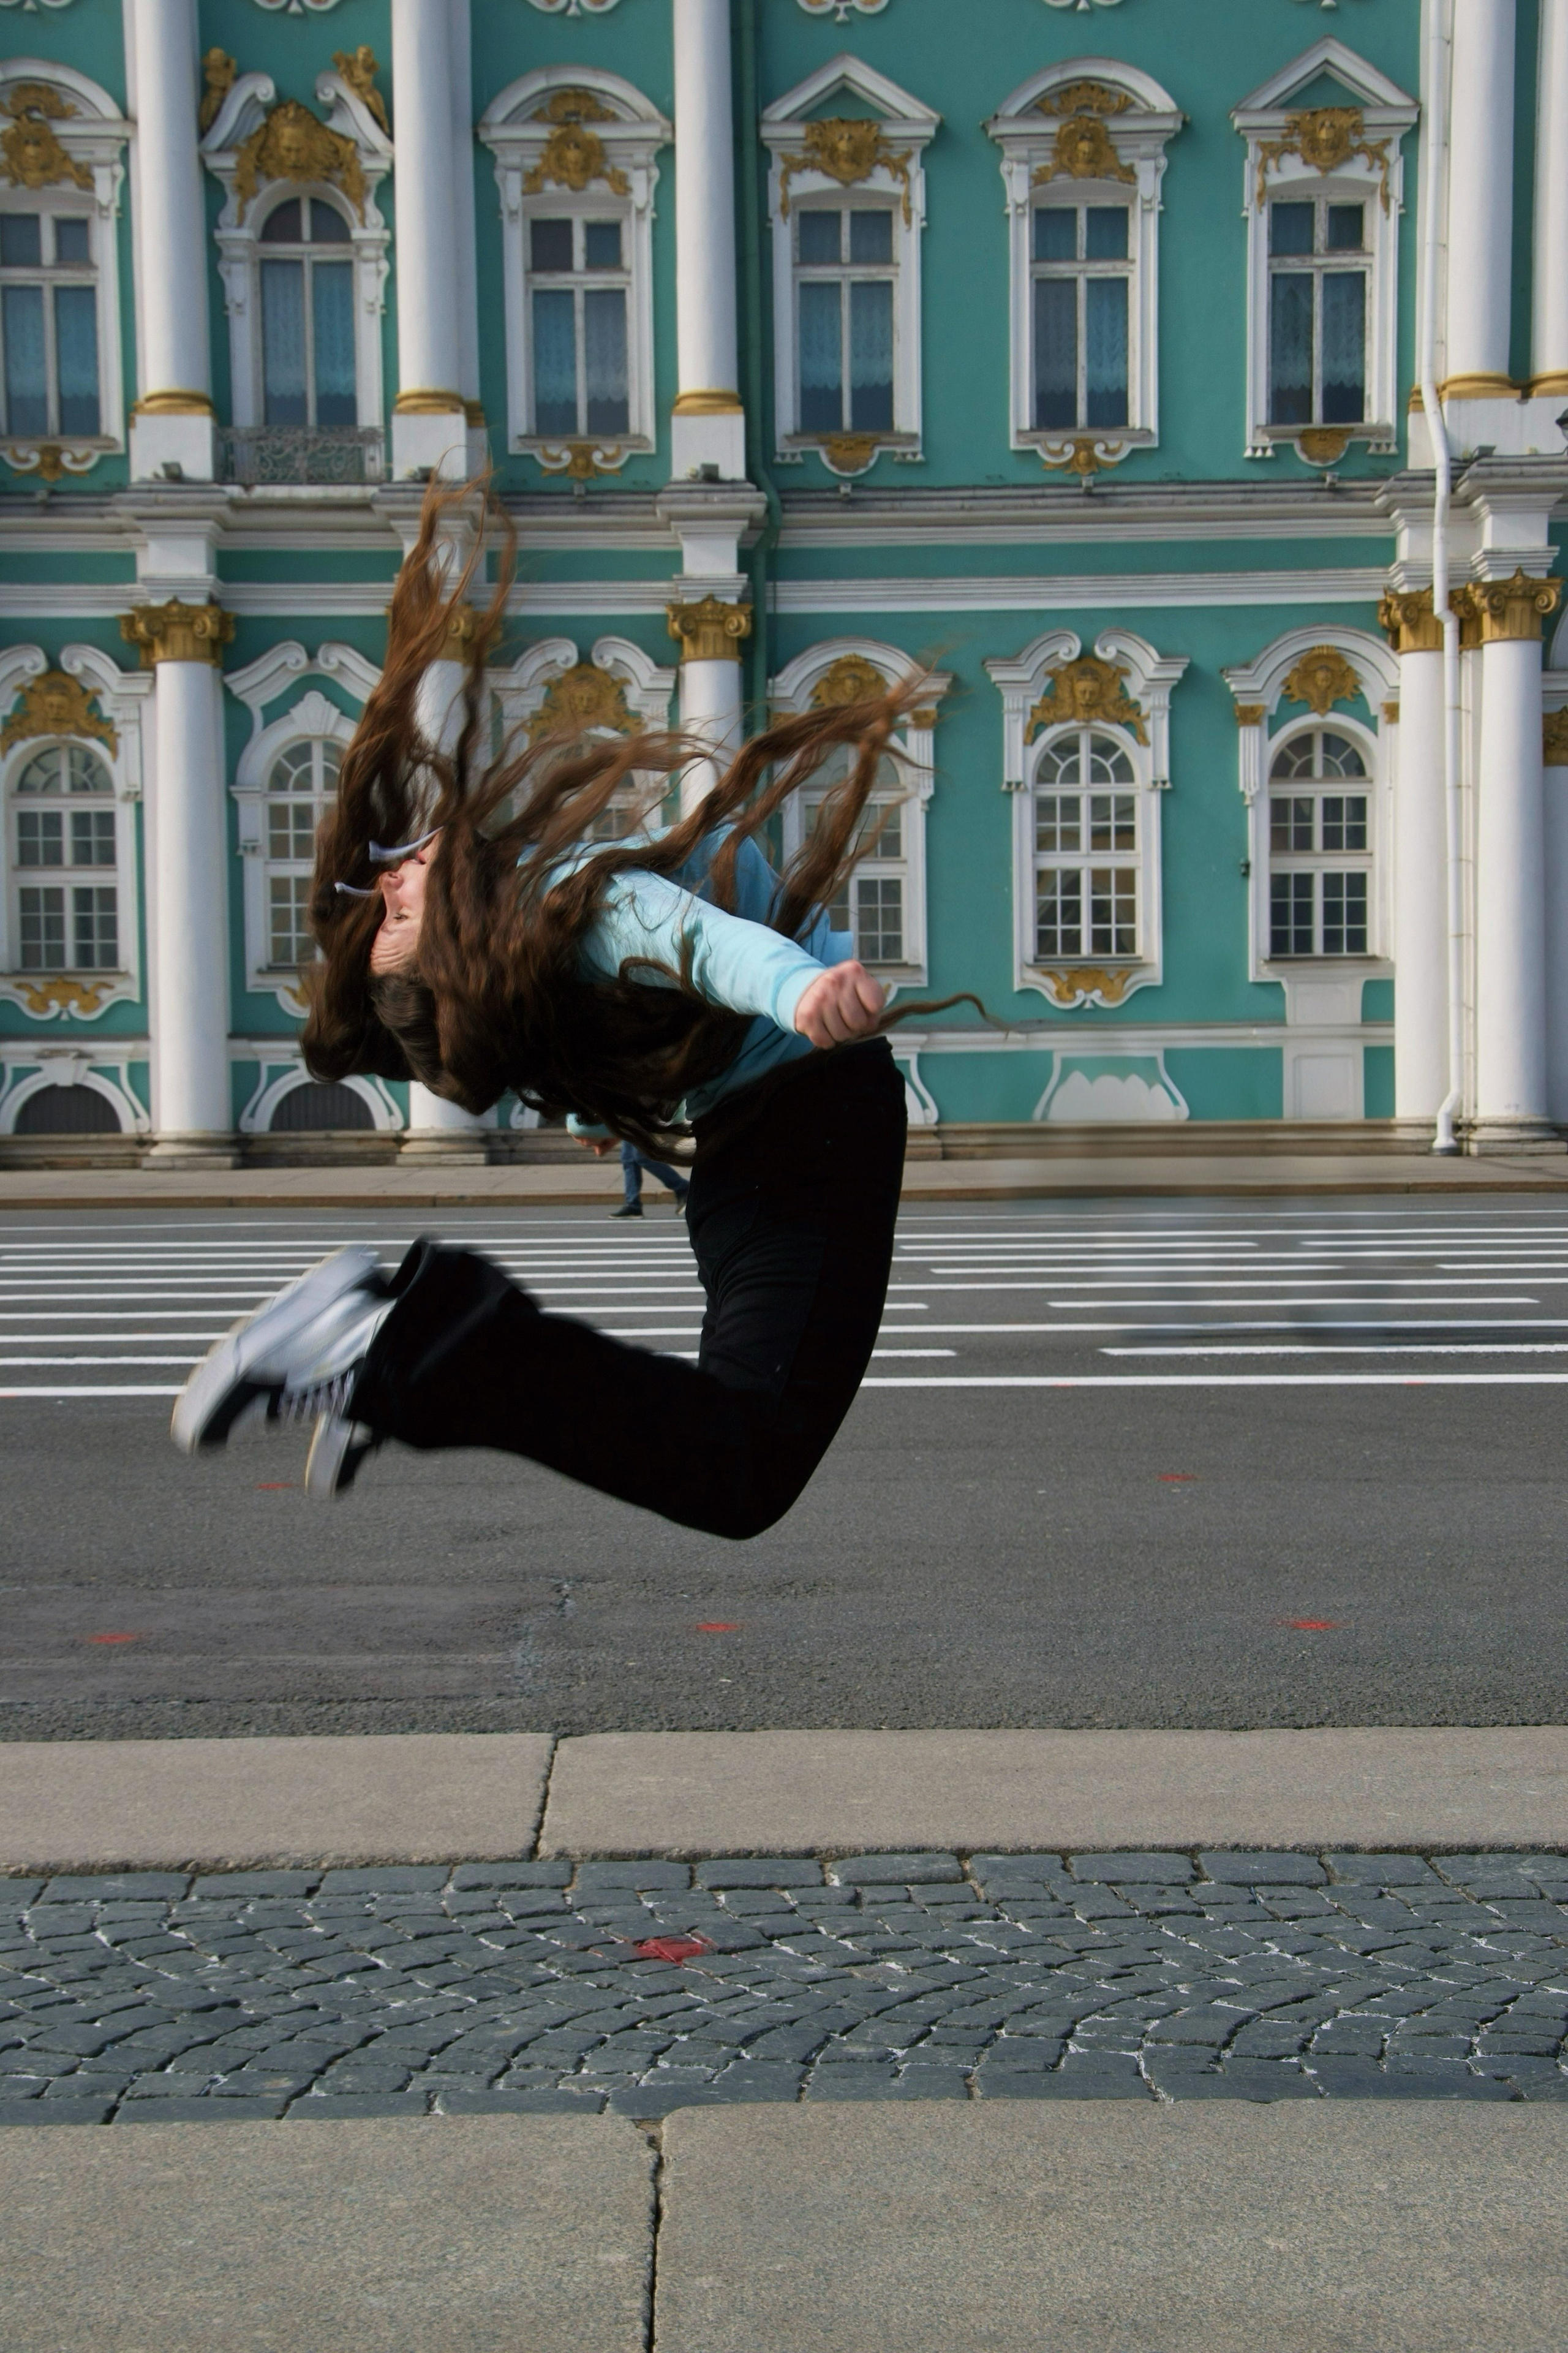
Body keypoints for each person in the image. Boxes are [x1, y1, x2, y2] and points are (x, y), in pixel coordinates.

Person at [170, 486, 965, 1539]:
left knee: (736, 1454)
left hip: (755, 1152)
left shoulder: (533, 954)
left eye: (388, 877)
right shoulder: (566, 903)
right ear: (444, 946)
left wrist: (609, 1107)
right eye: (391, 904)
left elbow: (644, 996)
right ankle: (408, 1346)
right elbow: (688, 937)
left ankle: (407, 1367)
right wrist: (800, 987)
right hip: (809, 1124)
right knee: (745, 1462)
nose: (398, 870)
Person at [610, 1136, 688, 1219]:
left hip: (640, 1125)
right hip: (630, 1124)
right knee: (628, 1159)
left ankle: (682, 1187)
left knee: (642, 1156)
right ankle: (633, 1205)